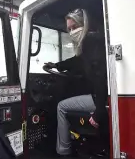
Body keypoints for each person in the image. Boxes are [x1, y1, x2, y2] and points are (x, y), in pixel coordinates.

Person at [45, 9, 108, 157]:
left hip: (100, 97)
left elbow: (100, 77)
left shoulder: (91, 42)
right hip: (99, 95)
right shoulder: (91, 43)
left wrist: (99, 110)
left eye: (74, 27)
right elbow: (76, 61)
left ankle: (63, 152)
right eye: (69, 29)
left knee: (61, 107)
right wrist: (56, 65)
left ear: (83, 24)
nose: (72, 31)